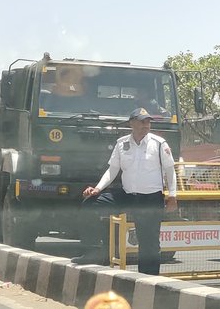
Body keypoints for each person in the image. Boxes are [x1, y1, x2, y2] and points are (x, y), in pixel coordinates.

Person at [73, 108, 178, 275]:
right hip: (127, 195)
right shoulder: (121, 143)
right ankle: (93, 251)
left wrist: (172, 196)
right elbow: (112, 170)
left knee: (148, 241)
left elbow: (170, 170)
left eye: (148, 121)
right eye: (142, 121)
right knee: (90, 204)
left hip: (150, 199)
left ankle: (148, 279)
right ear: (132, 123)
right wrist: (97, 189)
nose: (146, 125)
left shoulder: (159, 144)